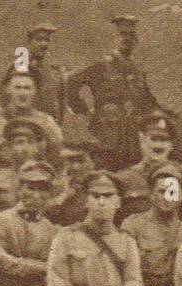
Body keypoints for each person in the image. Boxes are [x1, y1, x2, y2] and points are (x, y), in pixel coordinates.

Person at [66, 15, 157, 171]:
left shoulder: (138, 69)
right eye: (122, 34)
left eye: (131, 35)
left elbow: (148, 100)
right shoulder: (100, 66)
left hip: (132, 134)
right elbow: (71, 85)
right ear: (113, 37)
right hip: (106, 133)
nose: (127, 39)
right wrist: (84, 111)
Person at [115, 111, 178, 222]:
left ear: (171, 145)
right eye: (153, 139)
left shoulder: (179, 178)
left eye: (163, 140)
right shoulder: (123, 178)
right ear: (141, 139)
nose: (158, 145)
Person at [18, 23, 66, 126]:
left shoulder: (55, 68)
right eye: (38, 39)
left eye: (46, 40)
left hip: (49, 124)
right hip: (25, 125)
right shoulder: (21, 64)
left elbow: (61, 100)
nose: (43, 44)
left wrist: (57, 125)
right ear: (29, 42)